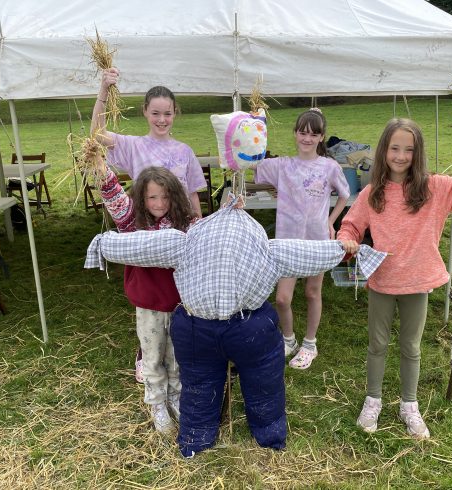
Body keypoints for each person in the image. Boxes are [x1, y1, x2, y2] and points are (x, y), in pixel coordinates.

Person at [85, 195, 387, 457]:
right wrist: (346, 250)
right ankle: (268, 435)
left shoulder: (184, 242)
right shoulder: (269, 249)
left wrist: (105, 243)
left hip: (198, 328)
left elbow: (142, 246)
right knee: (262, 383)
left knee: (201, 385)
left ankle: (196, 437)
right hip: (247, 328)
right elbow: (309, 252)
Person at [337, 116, 452, 439]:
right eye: (394, 148)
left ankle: (409, 405)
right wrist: (347, 240)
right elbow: (351, 225)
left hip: (417, 282)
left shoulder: (434, 189)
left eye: (408, 150)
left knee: (411, 347)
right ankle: (374, 399)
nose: (400, 156)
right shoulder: (373, 193)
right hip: (382, 282)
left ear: (417, 153)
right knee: (377, 344)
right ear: (384, 151)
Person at [91, 67, 207, 382]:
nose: (161, 119)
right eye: (155, 113)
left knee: (179, 294)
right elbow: (96, 135)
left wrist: (198, 228)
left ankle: (179, 350)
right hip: (146, 233)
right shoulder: (134, 146)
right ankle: (146, 352)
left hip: (179, 230)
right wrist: (104, 91)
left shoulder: (184, 151)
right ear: (145, 112)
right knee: (150, 296)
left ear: (175, 114)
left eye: (167, 113)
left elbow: (193, 194)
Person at [99, 163, 196, 434]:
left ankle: (175, 396)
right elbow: (111, 192)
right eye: (152, 197)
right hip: (148, 304)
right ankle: (156, 403)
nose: (159, 203)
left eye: (165, 197)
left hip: (179, 304)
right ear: (141, 198)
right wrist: (97, 162)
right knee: (152, 355)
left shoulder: (184, 223)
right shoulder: (132, 222)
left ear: (174, 197)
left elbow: (208, 233)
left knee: (176, 356)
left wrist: (230, 210)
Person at [254, 108, 351, 370]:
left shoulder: (329, 167)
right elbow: (252, 162)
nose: (307, 138)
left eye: (314, 133)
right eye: (303, 132)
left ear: (322, 137)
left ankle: (310, 343)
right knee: (283, 298)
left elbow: (345, 194)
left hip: (316, 241)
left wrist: (331, 222)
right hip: (287, 242)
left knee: (312, 292)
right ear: (295, 134)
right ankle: (288, 339)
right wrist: (256, 125)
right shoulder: (283, 165)